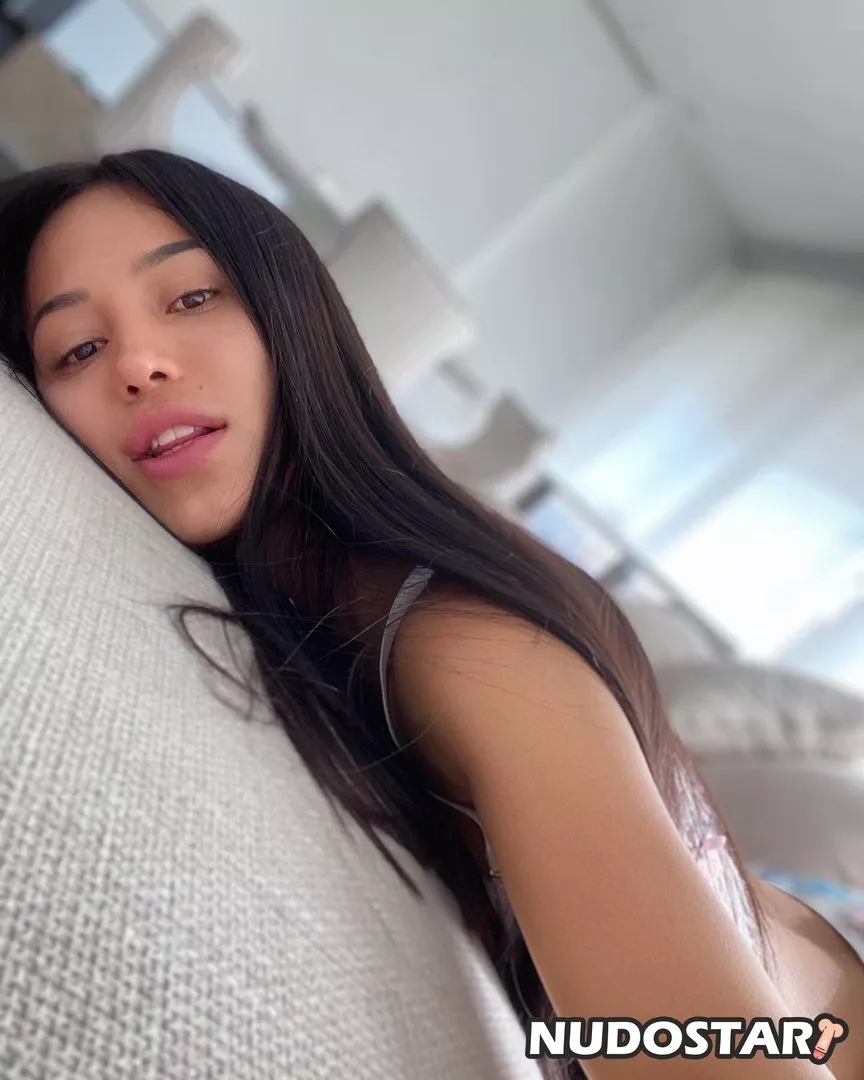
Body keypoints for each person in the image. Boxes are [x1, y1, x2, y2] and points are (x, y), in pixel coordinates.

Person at [0, 150, 860, 1080]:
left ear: (291, 315)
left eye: (192, 297)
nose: (138, 364)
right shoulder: (313, 596)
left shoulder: (464, 642)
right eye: (76, 349)